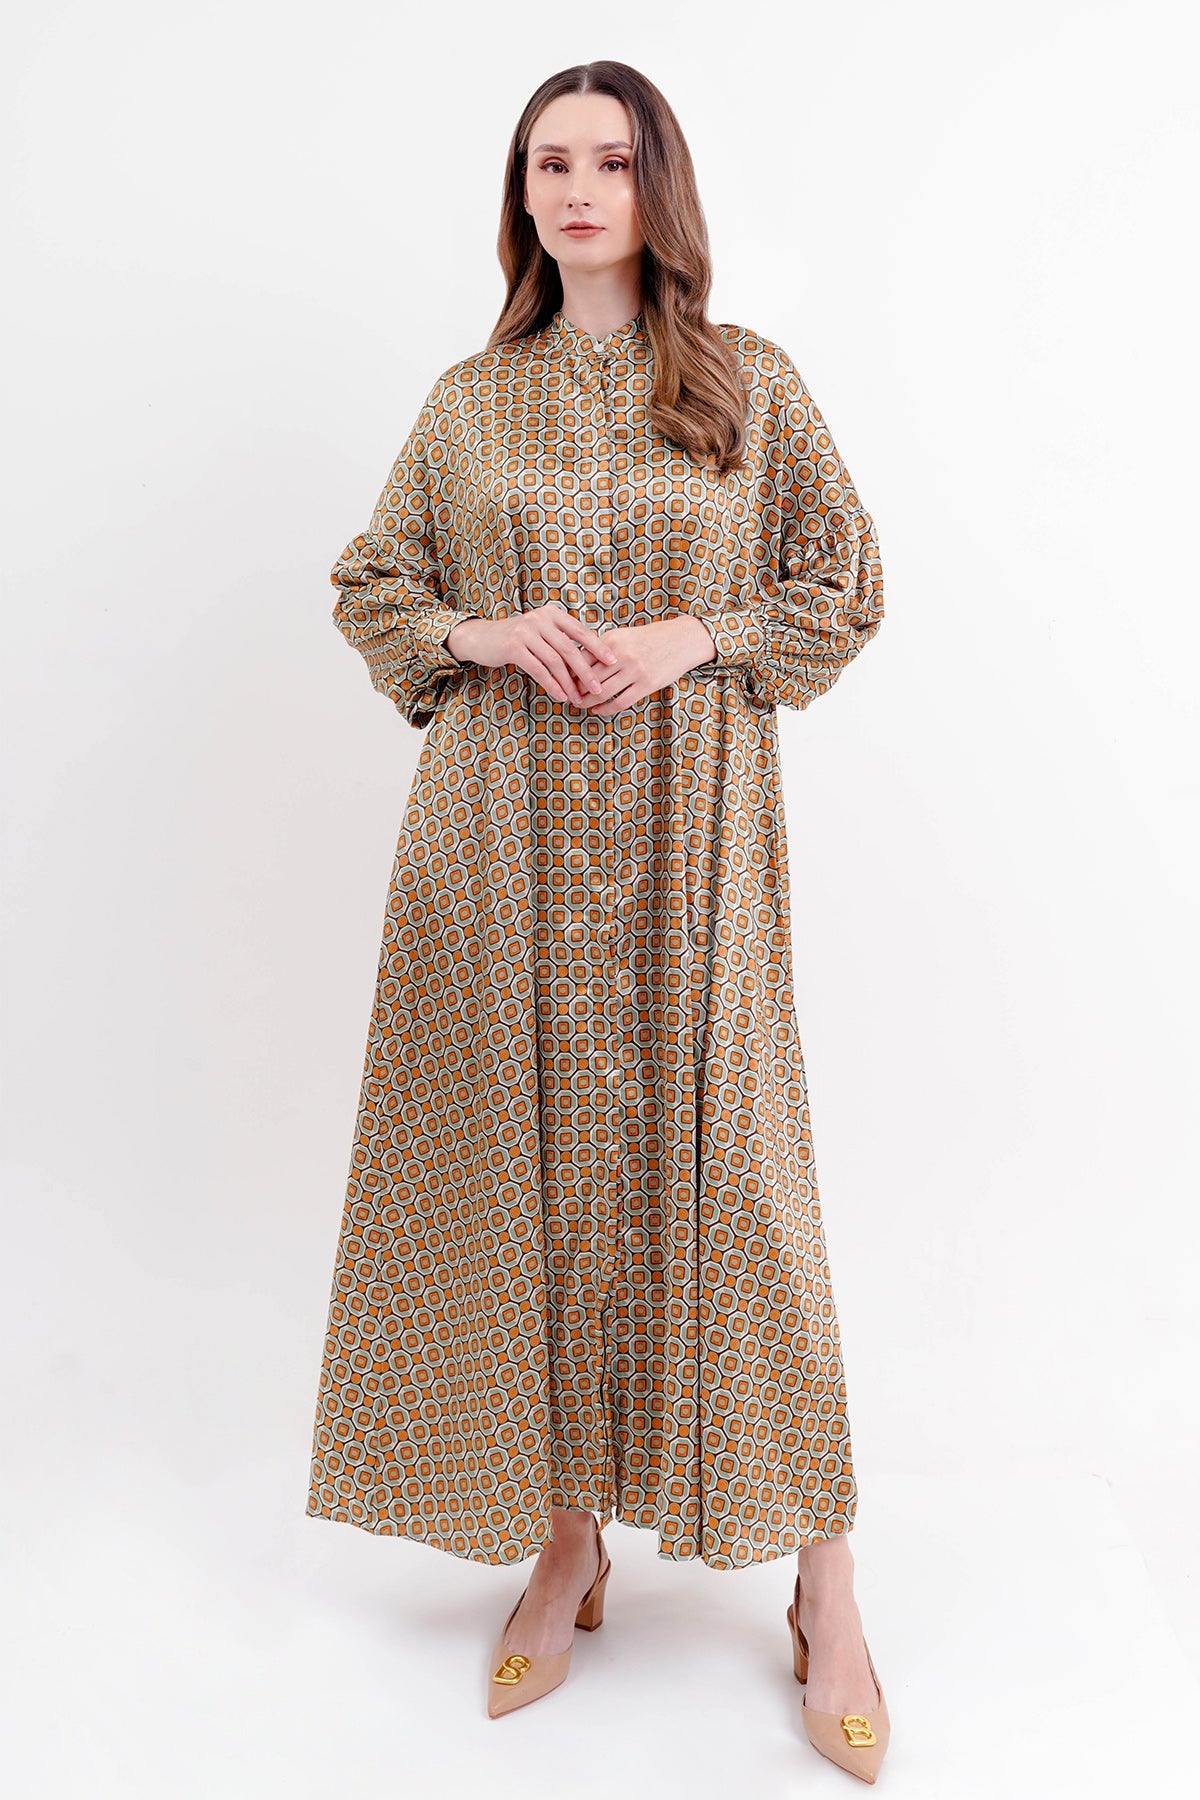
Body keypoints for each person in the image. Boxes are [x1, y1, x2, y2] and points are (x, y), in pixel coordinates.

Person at [306, 59, 890, 1781]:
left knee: (738, 1182)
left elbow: (843, 576)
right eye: (548, 162)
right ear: (522, 194)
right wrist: (488, 632)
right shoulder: (469, 403)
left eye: (611, 162)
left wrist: (695, 635)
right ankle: (567, 1546)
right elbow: (375, 581)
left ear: (659, 187)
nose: (577, 190)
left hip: (689, 838)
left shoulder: (748, 382)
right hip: (499, 835)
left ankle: (826, 1583)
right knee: (535, 1170)